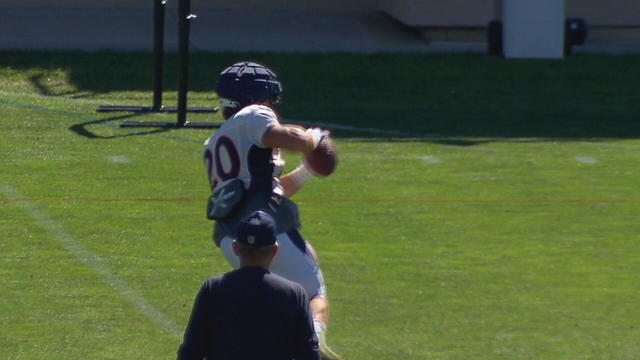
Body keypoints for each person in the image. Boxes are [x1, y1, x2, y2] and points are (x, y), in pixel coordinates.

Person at [202, 61, 342, 360]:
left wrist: (306, 172)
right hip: (266, 224)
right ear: (260, 97)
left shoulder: (215, 141)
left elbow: (261, 187)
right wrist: (312, 139)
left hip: (230, 236)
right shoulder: (253, 114)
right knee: (314, 296)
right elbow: (290, 139)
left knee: (268, 301)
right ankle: (312, 347)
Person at [177, 211, 320, 360]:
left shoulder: (213, 289)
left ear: (235, 247)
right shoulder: (293, 294)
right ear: (275, 250)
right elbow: (309, 354)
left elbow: (191, 351)